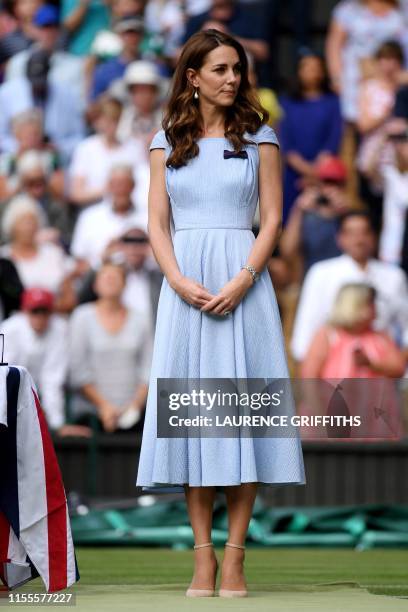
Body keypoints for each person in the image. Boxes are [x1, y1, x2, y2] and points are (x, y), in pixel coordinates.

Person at [136, 29, 305, 597]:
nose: (232, 78)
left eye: (237, 69)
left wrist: (245, 278)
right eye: (220, 70)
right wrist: (179, 280)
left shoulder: (261, 134)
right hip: (184, 288)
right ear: (193, 77)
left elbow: (274, 218)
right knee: (193, 419)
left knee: (245, 416)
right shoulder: (164, 141)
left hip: (246, 283)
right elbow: (157, 224)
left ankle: (235, 556)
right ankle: (202, 557)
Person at [290, 210, 408, 364]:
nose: (359, 240)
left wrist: (399, 364)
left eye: (364, 233)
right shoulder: (321, 273)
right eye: (351, 233)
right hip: (333, 365)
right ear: (340, 238)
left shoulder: (394, 276)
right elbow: (307, 325)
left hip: (383, 365)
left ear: (374, 237)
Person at [68, 260, 153, 432]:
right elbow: (78, 370)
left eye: (115, 277)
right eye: (105, 277)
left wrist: (134, 407)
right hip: (90, 413)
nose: (110, 281)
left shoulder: (141, 319)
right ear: (95, 285)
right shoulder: (81, 317)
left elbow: (149, 368)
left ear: (125, 284)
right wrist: (105, 407)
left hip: (136, 413)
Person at [0, 287, 91, 437]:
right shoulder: (9, 330)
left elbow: (52, 378)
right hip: (9, 396)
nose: (40, 317)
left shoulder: (59, 329)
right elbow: (5, 376)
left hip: (36, 398)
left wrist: (57, 423)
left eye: (44, 311)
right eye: (35, 311)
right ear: (24, 311)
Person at [278, 52, 343, 224]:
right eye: (307, 68)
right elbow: (285, 139)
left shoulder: (333, 102)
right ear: (298, 72)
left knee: (323, 217)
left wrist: (318, 169)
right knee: (291, 217)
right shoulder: (287, 102)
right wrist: (304, 168)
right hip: (294, 172)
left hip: (326, 171)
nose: (312, 72)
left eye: (316, 68)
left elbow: (334, 136)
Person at [326, 0, 406, 124]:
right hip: (359, 81)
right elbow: (335, 45)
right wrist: (337, 78)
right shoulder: (349, 9)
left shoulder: (404, 6)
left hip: (399, 81)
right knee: (357, 126)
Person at [280, 156, 350, 276]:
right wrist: (298, 211)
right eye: (326, 182)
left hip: (343, 278)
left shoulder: (349, 213)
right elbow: (287, 251)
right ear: (317, 184)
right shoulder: (306, 215)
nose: (331, 188)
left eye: (336, 183)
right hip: (312, 278)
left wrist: (346, 213)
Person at [68, 97, 145, 206]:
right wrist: (110, 190)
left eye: (115, 120)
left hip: (131, 210)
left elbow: (144, 184)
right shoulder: (85, 149)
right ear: (97, 121)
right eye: (106, 120)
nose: (110, 126)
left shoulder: (135, 147)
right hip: (96, 212)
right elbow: (76, 193)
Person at [70, 164, 148, 268]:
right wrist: (103, 257)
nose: (120, 189)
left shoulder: (147, 217)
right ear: (108, 186)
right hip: (101, 278)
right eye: (115, 184)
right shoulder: (89, 217)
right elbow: (79, 261)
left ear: (133, 186)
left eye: (125, 184)